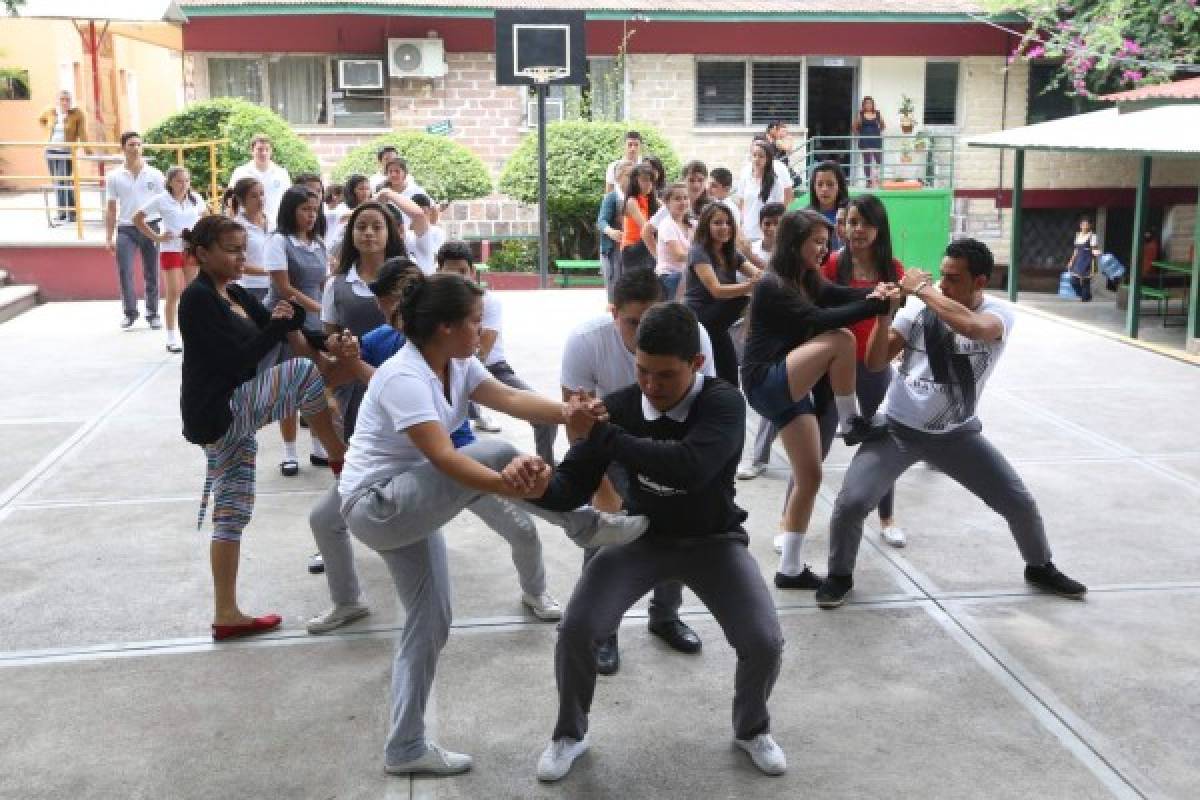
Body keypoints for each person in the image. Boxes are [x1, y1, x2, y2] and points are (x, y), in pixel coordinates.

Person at [336, 271, 650, 776]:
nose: (483, 331)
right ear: (443, 328)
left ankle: (405, 746)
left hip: (408, 505)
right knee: (498, 449)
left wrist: (573, 411)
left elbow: (510, 399)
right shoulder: (404, 377)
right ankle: (583, 524)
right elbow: (444, 458)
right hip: (377, 506)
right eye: (474, 321)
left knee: (431, 620)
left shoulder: (458, 364)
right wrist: (509, 481)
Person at [534, 302, 787, 782]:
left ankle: (752, 728)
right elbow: (571, 484)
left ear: (695, 364)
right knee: (577, 630)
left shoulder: (724, 403)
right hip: (641, 537)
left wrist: (606, 436)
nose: (650, 385)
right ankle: (570, 733)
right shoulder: (623, 406)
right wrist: (536, 482)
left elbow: (688, 467)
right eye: (642, 371)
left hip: (713, 539)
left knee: (763, 641)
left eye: (665, 375)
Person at [816, 238, 1089, 608]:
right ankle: (839, 576)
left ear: (980, 282)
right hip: (898, 428)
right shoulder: (917, 312)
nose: (943, 285)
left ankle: (1039, 566)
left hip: (957, 434)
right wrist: (884, 315)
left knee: (1019, 503)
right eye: (941, 276)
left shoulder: (998, 314)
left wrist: (923, 289)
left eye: (953, 279)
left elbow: (975, 329)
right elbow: (877, 361)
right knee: (851, 504)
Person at [307, 257, 565, 632]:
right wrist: (340, 354)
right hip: (405, 470)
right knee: (322, 518)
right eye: (388, 301)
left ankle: (536, 590)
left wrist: (567, 411)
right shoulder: (388, 345)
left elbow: (507, 397)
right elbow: (365, 379)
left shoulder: (458, 355)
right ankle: (347, 602)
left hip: (454, 458)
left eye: (405, 296)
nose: (397, 308)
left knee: (521, 528)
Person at [178, 215, 347, 640]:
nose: (241, 258)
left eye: (243, 249)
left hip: (229, 417)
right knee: (301, 375)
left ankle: (226, 614)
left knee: (232, 513)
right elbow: (239, 361)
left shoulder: (232, 291)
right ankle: (343, 464)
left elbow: (286, 325)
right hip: (218, 411)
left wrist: (326, 340)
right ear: (202, 253)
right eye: (232, 250)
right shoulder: (197, 299)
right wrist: (276, 326)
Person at [560, 267, 718, 674]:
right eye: (633, 322)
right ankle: (603, 629)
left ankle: (665, 615)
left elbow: (705, 410)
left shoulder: (688, 335)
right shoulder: (583, 342)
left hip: (668, 440)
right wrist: (601, 486)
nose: (643, 330)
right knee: (604, 531)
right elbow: (577, 428)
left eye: (651, 318)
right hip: (606, 443)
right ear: (613, 313)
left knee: (672, 523)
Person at [742, 209, 890, 590]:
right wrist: (877, 306)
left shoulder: (807, 277)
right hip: (766, 381)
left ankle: (789, 568)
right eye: (818, 243)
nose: (825, 251)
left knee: (809, 477)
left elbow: (841, 294)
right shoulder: (772, 284)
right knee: (841, 337)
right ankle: (850, 422)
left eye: (827, 243)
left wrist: (881, 291)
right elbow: (817, 319)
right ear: (795, 242)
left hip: (792, 385)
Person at [823, 194, 909, 547]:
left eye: (864, 223)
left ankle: (887, 518)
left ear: (878, 228)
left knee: (883, 447)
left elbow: (900, 320)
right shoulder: (831, 265)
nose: (856, 230)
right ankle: (787, 522)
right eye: (851, 222)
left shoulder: (894, 269)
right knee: (815, 445)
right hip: (834, 366)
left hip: (874, 365)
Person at [436, 241, 557, 466]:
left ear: (472, 272)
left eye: (463, 272)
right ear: (439, 272)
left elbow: (481, 351)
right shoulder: (432, 305)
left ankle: (547, 470)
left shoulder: (488, 302)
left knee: (545, 417)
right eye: (450, 272)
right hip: (442, 370)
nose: (458, 279)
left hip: (488, 368)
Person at [265, 185, 329, 476]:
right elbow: (284, 287)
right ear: (291, 211)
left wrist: (324, 309)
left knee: (315, 385)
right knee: (288, 388)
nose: (311, 216)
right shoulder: (279, 241)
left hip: (314, 319)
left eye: (314, 210)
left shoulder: (318, 244)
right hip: (286, 318)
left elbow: (323, 282)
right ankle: (290, 452)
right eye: (305, 210)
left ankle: (318, 445)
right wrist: (319, 308)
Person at [736, 201, 787, 481]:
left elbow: (775, 277)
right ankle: (758, 458)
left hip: (788, 330)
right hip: (757, 330)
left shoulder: (793, 253)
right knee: (766, 391)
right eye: (766, 223)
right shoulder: (751, 250)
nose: (770, 228)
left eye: (776, 222)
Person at [684, 202, 761, 386]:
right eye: (717, 223)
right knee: (744, 299)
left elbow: (758, 275)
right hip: (700, 315)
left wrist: (763, 279)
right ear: (706, 226)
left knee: (730, 375)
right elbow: (716, 290)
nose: (724, 227)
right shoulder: (699, 251)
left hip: (718, 321)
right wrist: (750, 286)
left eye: (727, 223)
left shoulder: (730, 252)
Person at [134, 166, 205, 354]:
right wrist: (156, 237)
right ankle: (172, 337)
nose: (184, 185)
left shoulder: (196, 199)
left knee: (193, 293)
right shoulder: (161, 200)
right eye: (179, 181)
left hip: (190, 249)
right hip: (171, 249)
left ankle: (194, 333)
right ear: (170, 182)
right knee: (174, 292)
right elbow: (137, 218)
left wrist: (200, 237)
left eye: (187, 181)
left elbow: (206, 218)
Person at [105, 131, 165, 331]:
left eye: (139, 144)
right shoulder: (114, 176)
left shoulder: (155, 174)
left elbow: (165, 203)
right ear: (123, 147)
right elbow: (112, 208)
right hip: (126, 229)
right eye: (131, 144)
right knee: (125, 271)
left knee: (152, 271)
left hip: (151, 226)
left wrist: (165, 230)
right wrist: (109, 237)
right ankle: (130, 313)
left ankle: (153, 313)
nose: (136, 148)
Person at [38, 89, 87, 225]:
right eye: (62, 99)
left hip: (66, 152)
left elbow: (82, 133)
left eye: (67, 100)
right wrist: (47, 132)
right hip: (50, 151)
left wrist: (88, 150)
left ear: (71, 101)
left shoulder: (77, 114)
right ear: (57, 100)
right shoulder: (50, 112)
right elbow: (41, 120)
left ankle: (71, 213)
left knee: (64, 182)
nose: (65, 102)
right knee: (56, 183)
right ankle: (61, 213)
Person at [735, 139, 794, 244]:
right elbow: (740, 203)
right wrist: (740, 227)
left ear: (768, 159)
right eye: (754, 155)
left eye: (761, 156)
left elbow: (780, 209)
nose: (757, 159)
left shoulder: (776, 182)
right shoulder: (745, 175)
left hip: (767, 235)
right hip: (748, 233)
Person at [228, 134, 291, 226]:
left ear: (271, 151)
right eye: (260, 149)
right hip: (246, 227)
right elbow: (231, 200)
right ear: (252, 151)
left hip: (275, 227)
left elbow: (289, 202)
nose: (264, 153)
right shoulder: (240, 172)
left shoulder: (282, 173)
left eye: (267, 149)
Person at [228, 178, 272, 304]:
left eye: (262, 194)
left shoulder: (272, 222)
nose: (260, 199)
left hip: (274, 286)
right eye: (254, 196)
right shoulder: (236, 226)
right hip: (248, 287)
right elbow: (235, 262)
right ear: (242, 200)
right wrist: (270, 271)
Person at [596, 162, 632, 301]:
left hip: (630, 249)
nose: (631, 179)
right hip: (613, 250)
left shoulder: (635, 198)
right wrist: (611, 231)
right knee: (615, 285)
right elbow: (601, 221)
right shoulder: (611, 198)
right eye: (628, 175)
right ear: (618, 178)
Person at [653, 183, 693, 301]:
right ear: (667, 202)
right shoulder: (666, 225)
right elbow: (679, 255)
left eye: (685, 198)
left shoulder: (692, 224)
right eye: (677, 199)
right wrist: (705, 255)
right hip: (670, 278)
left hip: (685, 277)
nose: (683, 202)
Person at [620, 164, 660, 272]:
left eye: (651, 181)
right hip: (633, 249)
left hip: (647, 246)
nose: (649, 184)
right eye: (644, 180)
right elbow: (646, 228)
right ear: (635, 181)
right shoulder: (632, 201)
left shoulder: (652, 201)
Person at [807, 160, 850, 252]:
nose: (824, 189)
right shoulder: (804, 216)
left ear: (839, 186)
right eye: (820, 184)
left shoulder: (850, 214)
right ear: (813, 187)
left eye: (830, 184)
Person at [853, 97, 885, 188]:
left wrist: (876, 132)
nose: (868, 105)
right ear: (864, 105)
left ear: (873, 104)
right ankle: (868, 181)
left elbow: (883, 125)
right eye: (866, 103)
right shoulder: (860, 114)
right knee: (867, 161)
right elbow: (854, 127)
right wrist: (860, 134)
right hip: (865, 140)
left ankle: (878, 179)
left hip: (876, 140)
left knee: (878, 160)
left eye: (870, 103)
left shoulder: (877, 113)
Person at [1067, 216, 1100, 303]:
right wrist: (1071, 261)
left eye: (1086, 224)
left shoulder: (1093, 236)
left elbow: (1094, 248)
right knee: (1073, 280)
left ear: (1089, 226)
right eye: (1083, 224)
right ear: (1080, 225)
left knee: (1086, 281)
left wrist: (1097, 253)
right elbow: (1076, 250)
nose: (1084, 226)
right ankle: (1085, 295)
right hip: (1078, 260)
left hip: (1088, 259)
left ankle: (1085, 298)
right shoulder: (1078, 235)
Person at [604, 130, 643, 194]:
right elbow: (608, 193)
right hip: (619, 202)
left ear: (640, 146)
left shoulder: (645, 165)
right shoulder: (613, 166)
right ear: (624, 146)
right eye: (630, 145)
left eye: (636, 145)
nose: (633, 148)